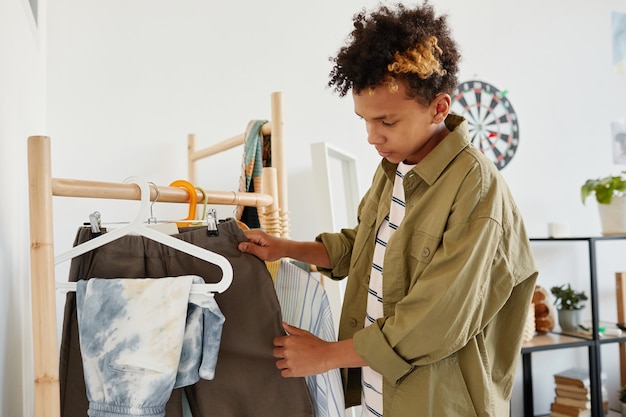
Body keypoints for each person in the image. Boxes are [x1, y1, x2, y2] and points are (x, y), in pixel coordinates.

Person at [238, 2, 538, 416]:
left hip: (435, 402)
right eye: (365, 120)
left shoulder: (476, 190)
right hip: (381, 396)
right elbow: (361, 248)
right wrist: (286, 248)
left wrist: (326, 356)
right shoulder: (394, 168)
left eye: (387, 122)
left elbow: (434, 320)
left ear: (438, 107)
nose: (371, 137)